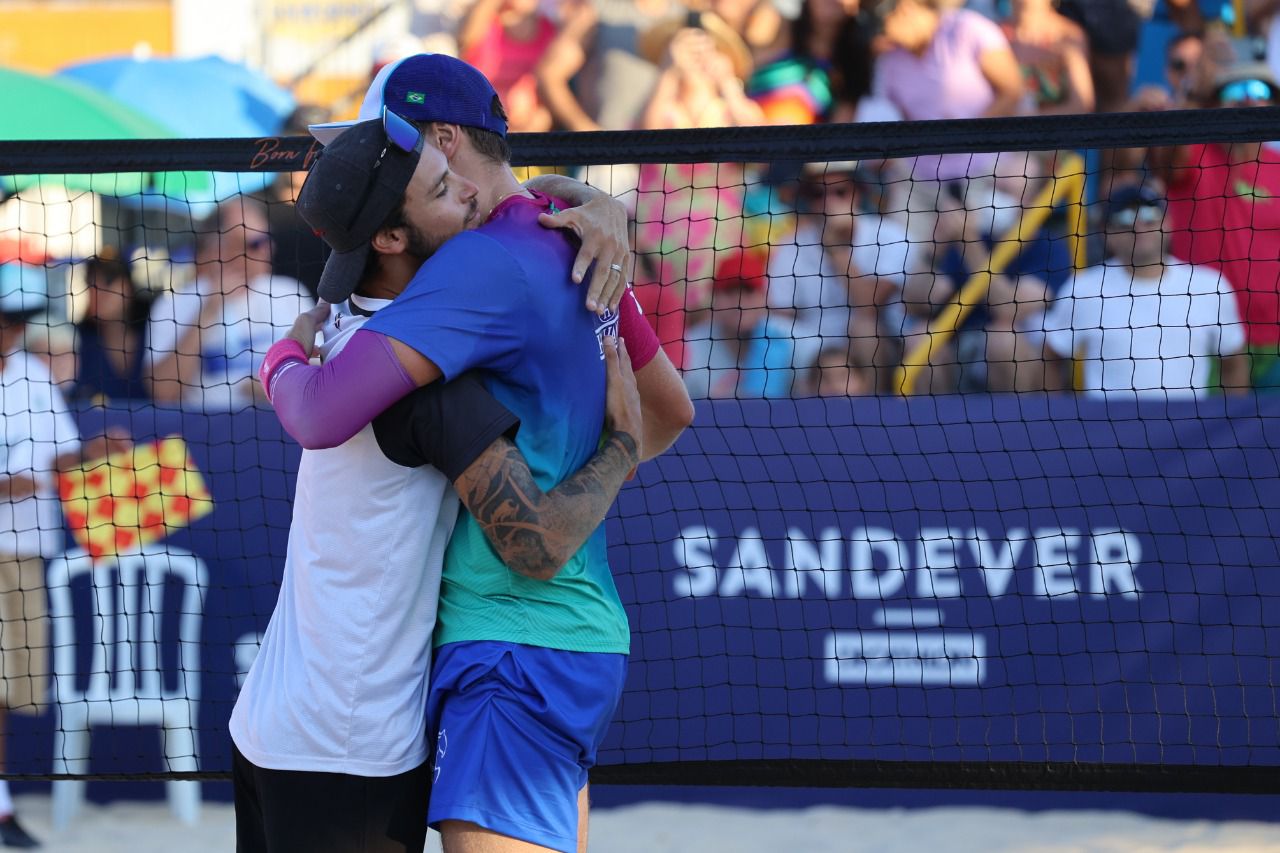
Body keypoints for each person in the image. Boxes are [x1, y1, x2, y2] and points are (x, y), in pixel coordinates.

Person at [261, 54, 693, 852]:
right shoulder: (574, 241)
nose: (373, 167)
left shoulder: (473, 264)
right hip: (574, 630)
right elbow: (670, 410)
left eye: (391, 148)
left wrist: (279, 357)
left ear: (444, 140)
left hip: (512, 642)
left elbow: (319, 411)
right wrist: (586, 473)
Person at [1038, 185, 1250, 398]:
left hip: (1186, 428)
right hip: (1108, 427)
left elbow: (1234, 364)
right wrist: (1062, 421)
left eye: (1149, 214)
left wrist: (1230, 427)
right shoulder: (1084, 290)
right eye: (1125, 218)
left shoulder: (1209, 287)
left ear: (1167, 222)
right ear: (1106, 232)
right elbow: (1050, 359)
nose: (1138, 226)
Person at [1158, 62, 1280, 389]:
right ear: (1213, 104)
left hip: (1275, 340)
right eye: (1234, 91)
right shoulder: (1193, 153)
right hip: (1203, 337)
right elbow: (1164, 151)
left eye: (1259, 91)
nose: (1247, 99)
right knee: (1211, 439)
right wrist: (1193, 91)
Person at [144, 197, 312, 411]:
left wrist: (273, 386)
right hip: (205, 433)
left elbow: (319, 369)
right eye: (255, 244)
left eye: (268, 239)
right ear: (220, 247)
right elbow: (163, 393)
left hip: (282, 430)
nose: (269, 249)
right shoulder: (175, 304)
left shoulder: (289, 293)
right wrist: (208, 311)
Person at [766, 161, 919, 394]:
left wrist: (837, 250)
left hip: (879, 348)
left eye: (840, 191)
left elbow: (868, 307)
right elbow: (779, 315)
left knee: (864, 329)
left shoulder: (890, 235)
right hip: (813, 352)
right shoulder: (791, 245)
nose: (829, 202)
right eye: (818, 194)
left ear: (857, 193)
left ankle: (870, 415)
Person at [459, 0, 558, 132]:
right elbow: (464, 41)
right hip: (480, 121)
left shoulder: (548, 29)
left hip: (526, 123)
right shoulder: (485, 23)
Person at [68, 252, 152, 402]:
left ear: (129, 287)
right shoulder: (74, 340)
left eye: (108, 281)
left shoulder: (156, 332)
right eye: (90, 283)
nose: (97, 292)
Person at [999, 0, 1094, 115]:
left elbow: (1081, 105)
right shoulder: (993, 35)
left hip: (1057, 128)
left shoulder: (1069, 36)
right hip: (1006, 128)